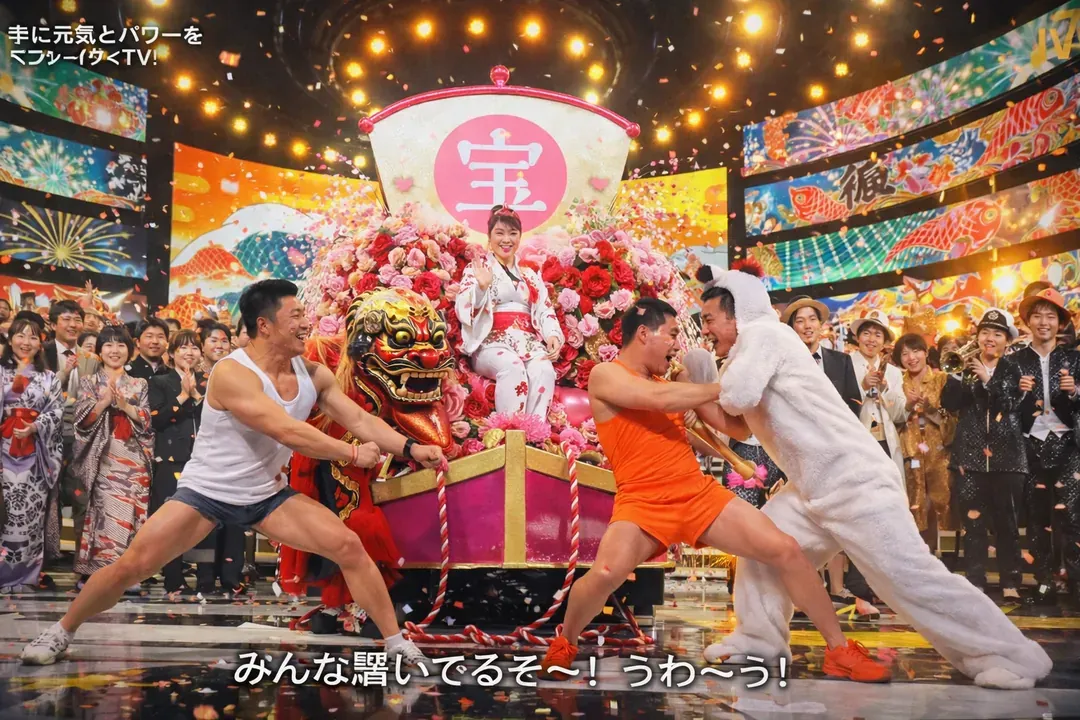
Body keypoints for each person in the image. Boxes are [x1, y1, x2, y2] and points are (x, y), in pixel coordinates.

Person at [21, 279, 444, 667]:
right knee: (131, 567)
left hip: (267, 496)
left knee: (349, 546)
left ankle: (396, 643)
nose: (306, 324)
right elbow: (285, 430)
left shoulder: (313, 374)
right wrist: (351, 453)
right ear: (265, 325)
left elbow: (360, 419)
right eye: (296, 316)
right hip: (206, 493)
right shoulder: (232, 373)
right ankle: (61, 630)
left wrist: (412, 448)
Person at [695, 266, 1052, 690]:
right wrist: (689, 393)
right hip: (811, 488)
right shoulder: (747, 353)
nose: (706, 328)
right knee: (762, 549)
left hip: (854, 480)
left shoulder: (764, 336)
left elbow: (735, 397)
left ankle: (1012, 656)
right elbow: (738, 425)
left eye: (709, 318)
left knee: (910, 579)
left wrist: (689, 382)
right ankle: (758, 641)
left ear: (737, 312)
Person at [540, 298, 891, 683]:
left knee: (786, 549)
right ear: (644, 333)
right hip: (641, 502)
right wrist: (721, 385)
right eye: (672, 334)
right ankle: (566, 641)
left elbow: (736, 429)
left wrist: (753, 388)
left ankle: (839, 651)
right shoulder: (606, 374)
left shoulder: (674, 385)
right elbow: (658, 400)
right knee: (606, 572)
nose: (677, 344)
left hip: (697, 494)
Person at [782, 295, 869, 604]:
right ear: (792, 327)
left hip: (835, 452)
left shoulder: (840, 361)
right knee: (801, 520)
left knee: (834, 518)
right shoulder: (785, 363)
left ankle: (835, 586)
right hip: (797, 452)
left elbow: (854, 403)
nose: (807, 326)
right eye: (800, 321)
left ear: (821, 325)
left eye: (812, 320)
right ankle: (808, 586)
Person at [941, 308, 1027, 602]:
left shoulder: (1015, 368)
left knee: (1007, 523)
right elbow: (950, 403)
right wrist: (956, 374)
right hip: (970, 457)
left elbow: (1012, 404)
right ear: (977, 337)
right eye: (985, 332)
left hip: (1008, 457)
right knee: (973, 524)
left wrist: (988, 380)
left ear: (1007, 341)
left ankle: (1010, 581)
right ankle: (975, 581)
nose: (990, 338)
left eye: (997, 334)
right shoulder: (964, 368)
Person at [455, 205, 563, 420]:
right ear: (489, 237)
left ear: (520, 237)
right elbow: (463, 307)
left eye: (513, 233)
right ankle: (510, 430)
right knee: (512, 367)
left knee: (544, 369)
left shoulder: (529, 274)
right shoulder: (478, 269)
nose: (507, 240)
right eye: (500, 233)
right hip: (491, 343)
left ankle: (535, 431)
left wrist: (552, 335)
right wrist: (481, 288)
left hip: (527, 343)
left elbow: (544, 309)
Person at [71, 325, 154, 589]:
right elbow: (81, 420)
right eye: (108, 344)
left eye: (120, 345)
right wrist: (104, 402)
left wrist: (126, 406)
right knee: (104, 512)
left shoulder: (139, 384)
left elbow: (147, 420)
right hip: (103, 457)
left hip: (134, 458)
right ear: (100, 350)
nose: (114, 350)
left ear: (129, 350)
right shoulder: (89, 381)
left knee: (131, 513)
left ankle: (127, 574)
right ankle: (99, 572)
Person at [1013, 287, 1080, 607]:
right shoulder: (1014, 362)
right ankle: (1044, 582)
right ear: (1028, 321)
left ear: (1060, 323)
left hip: (1069, 446)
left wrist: (1075, 391)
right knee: (1037, 518)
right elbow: (1002, 405)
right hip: (1030, 446)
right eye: (1037, 316)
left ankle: (1076, 581)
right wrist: (1018, 394)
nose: (1043, 322)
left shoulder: (1075, 359)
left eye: (1050, 316)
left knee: (1073, 515)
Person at [0, 316, 63, 592]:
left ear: (41, 344)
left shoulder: (49, 378)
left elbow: (57, 411)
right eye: (21, 335)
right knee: (4, 514)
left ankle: (26, 575)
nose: (26, 342)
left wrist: (35, 426)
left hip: (35, 456)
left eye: (33, 337)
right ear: (10, 339)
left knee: (30, 517)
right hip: (3, 452)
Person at [188, 320, 245, 596]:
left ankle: (232, 576)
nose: (219, 345)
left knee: (234, 518)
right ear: (202, 346)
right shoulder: (192, 377)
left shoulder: (238, 374)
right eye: (213, 340)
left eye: (224, 340)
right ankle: (205, 577)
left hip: (234, 451)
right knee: (205, 517)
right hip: (203, 452)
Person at [148, 330, 205, 595]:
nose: (189, 352)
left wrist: (197, 396)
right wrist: (183, 396)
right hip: (170, 459)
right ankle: (173, 579)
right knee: (171, 521)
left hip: (202, 459)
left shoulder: (208, 382)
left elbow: (214, 417)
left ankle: (205, 579)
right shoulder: (160, 381)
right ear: (171, 354)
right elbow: (156, 419)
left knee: (199, 519)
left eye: (194, 347)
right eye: (182, 348)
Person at [894, 333, 958, 553]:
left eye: (916, 351)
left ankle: (946, 558)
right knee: (914, 504)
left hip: (939, 454)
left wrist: (931, 410)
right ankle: (919, 557)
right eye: (905, 353)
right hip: (909, 454)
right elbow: (892, 419)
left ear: (925, 352)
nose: (911, 358)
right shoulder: (897, 382)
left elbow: (954, 421)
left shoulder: (942, 379)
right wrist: (908, 406)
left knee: (943, 504)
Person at [850, 311, 907, 477]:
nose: (871, 339)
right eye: (866, 333)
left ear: (884, 342)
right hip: (857, 443)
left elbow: (899, 415)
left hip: (886, 443)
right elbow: (840, 406)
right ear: (857, 337)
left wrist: (885, 390)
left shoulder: (894, 372)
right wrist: (863, 387)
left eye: (877, 335)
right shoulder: (845, 365)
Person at [43, 300, 83, 375]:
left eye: (78, 320)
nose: (73, 325)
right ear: (53, 325)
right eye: (66, 319)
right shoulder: (41, 353)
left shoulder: (90, 358)